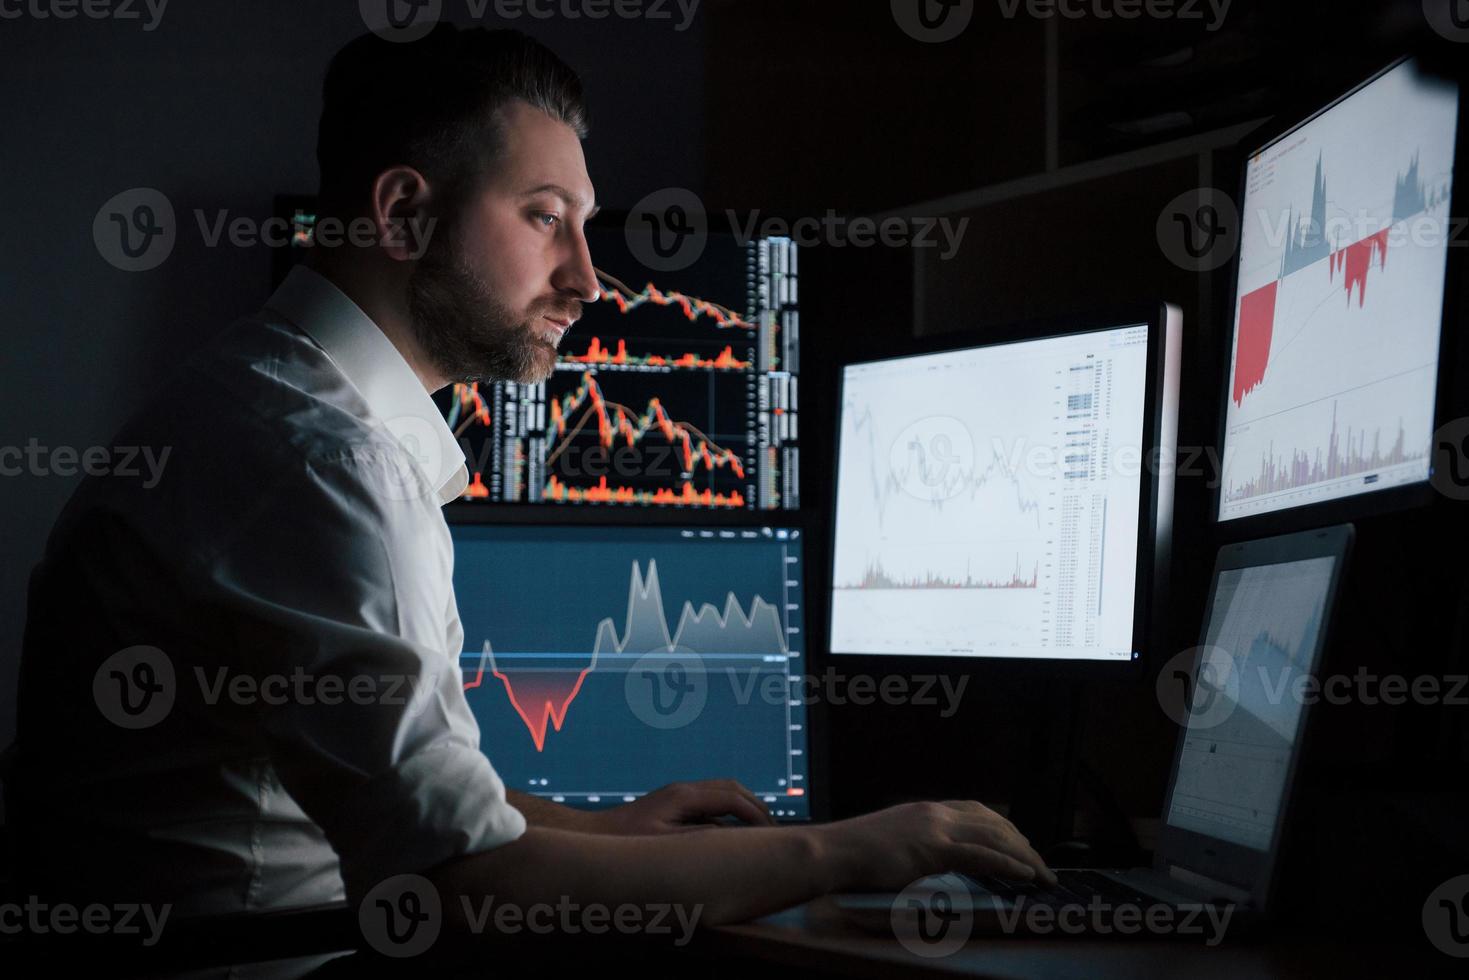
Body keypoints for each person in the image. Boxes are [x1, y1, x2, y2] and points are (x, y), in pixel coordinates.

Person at [5, 23, 1053, 975]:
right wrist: (846, 848)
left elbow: (387, 790)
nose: (588, 278)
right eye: (545, 218)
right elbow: (462, 887)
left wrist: (614, 830)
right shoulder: (323, 462)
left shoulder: (256, 397)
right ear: (402, 212)